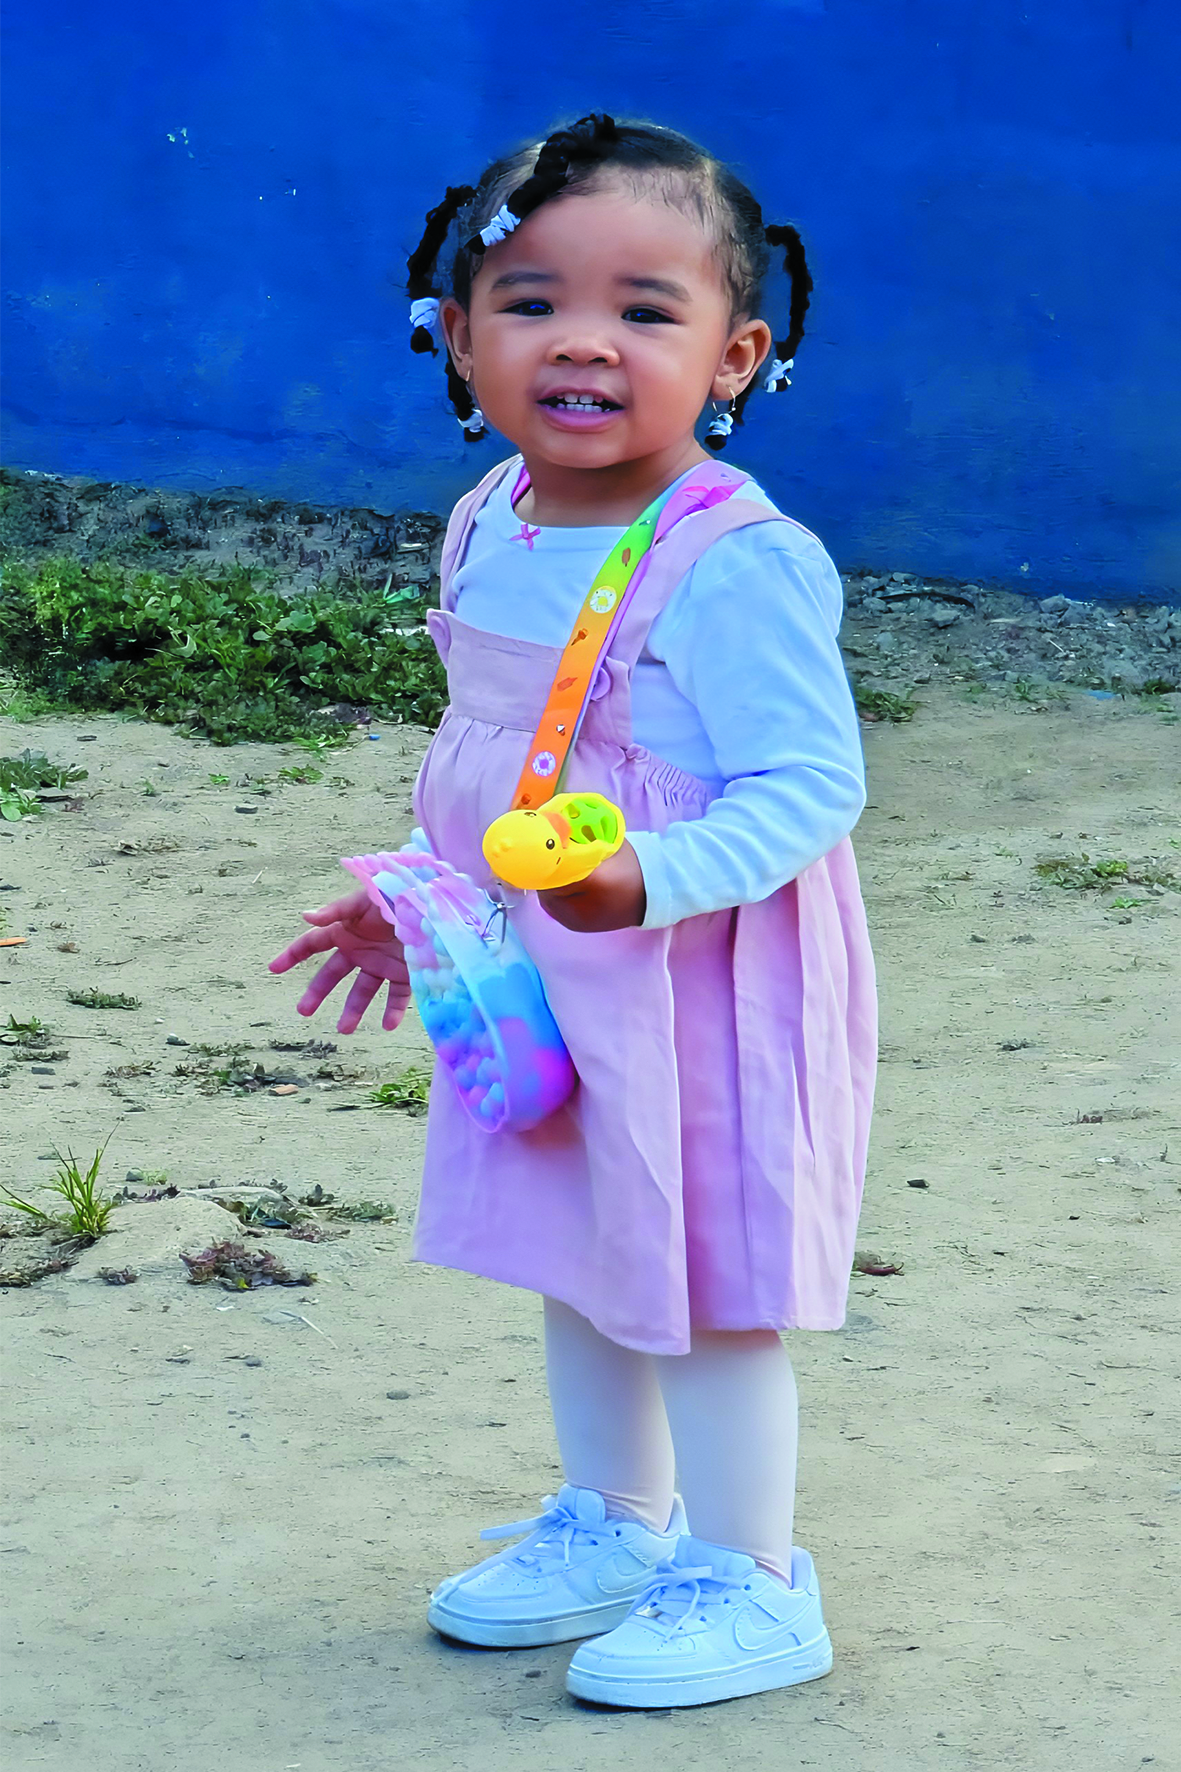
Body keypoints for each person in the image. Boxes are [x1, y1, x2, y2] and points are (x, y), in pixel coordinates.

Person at [270, 114, 876, 1710]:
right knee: (584, 1242)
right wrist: (426, 898)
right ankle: (617, 1521)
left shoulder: (737, 563)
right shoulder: (491, 520)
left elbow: (812, 785)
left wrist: (644, 881)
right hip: (550, 973)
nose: (583, 340)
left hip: (697, 984)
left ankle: (752, 1576)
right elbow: (493, 753)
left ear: (735, 357)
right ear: (456, 337)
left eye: (644, 309)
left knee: (708, 1276)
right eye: (530, 301)